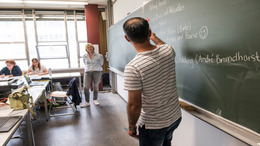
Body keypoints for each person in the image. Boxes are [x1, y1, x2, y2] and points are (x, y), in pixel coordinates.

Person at [123, 17, 182, 146]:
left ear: (127, 38)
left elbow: (134, 104)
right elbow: (162, 45)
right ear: (149, 32)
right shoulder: (168, 50)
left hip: (153, 125)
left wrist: (132, 127)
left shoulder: (133, 67)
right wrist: (154, 37)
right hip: (174, 117)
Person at [81, 43, 104, 107]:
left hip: (97, 72)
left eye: (91, 47)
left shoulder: (99, 56)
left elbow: (101, 63)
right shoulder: (84, 56)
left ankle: (95, 100)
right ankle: (87, 102)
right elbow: (85, 63)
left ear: (93, 48)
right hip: (87, 72)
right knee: (86, 87)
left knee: (95, 86)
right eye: (88, 48)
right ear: (86, 49)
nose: (90, 48)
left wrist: (95, 67)